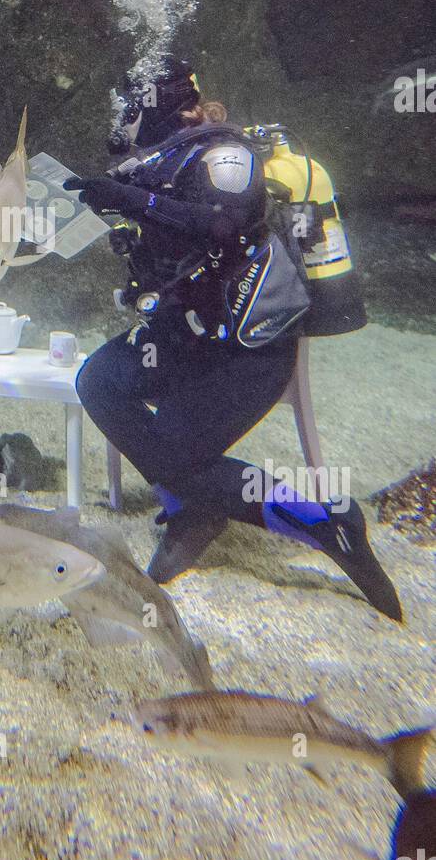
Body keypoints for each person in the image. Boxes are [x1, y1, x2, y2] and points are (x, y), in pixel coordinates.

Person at [63, 57, 401, 620]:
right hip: (188, 336)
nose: (120, 119)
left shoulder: (226, 155)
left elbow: (226, 223)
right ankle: (197, 507)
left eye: (129, 106)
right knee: (99, 381)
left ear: (157, 107)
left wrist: (131, 202)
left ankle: (327, 525)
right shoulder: (159, 163)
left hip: (251, 350)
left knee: (170, 449)